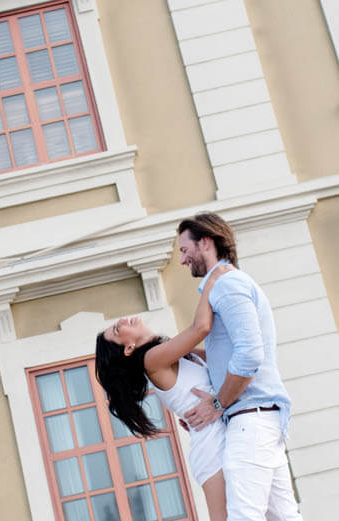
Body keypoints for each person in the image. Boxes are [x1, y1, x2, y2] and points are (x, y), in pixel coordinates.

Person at [178, 212, 303, 521]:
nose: (182, 260)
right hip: (259, 419)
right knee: (284, 517)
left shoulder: (226, 285)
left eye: (184, 250)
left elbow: (249, 356)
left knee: (244, 516)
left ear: (205, 243)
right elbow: (230, 352)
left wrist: (218, 404)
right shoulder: (227, 284)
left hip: (251, 422)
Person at [95, 264, 231, 521]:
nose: (123, 320)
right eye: (117, 329)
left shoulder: (171, 354)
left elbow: (220, 357)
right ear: (128, 348)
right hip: (212, 449)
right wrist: (212, 279)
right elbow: (201, 328)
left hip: (225, 436)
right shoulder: (152, 360)